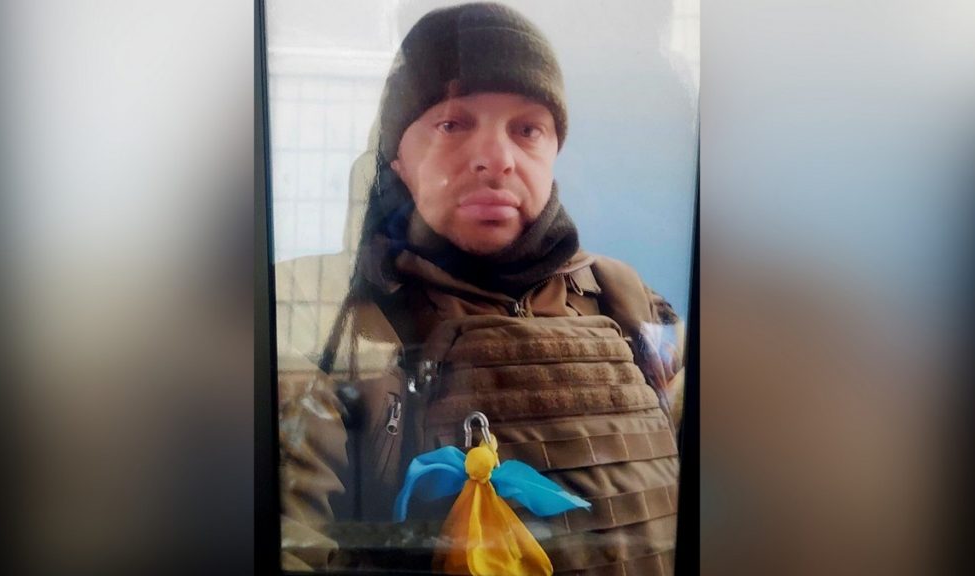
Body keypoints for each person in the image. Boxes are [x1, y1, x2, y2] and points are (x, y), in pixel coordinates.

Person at [277, 3, 685, 574]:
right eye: (452, 124)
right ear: (397, 157)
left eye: (527, 130)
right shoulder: (320, 319)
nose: (496, 160)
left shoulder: (625, 297)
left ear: (554, 150)